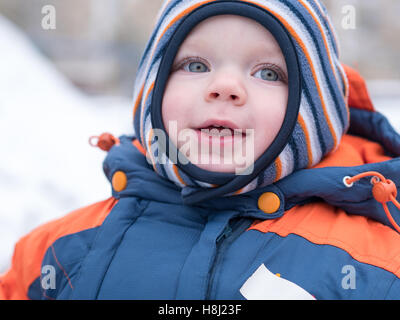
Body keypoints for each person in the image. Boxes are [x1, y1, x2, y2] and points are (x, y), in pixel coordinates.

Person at [2, 0, 400, 300]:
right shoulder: (58, 252)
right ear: (152, 95)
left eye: (267, 73)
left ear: (313, 117)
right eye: (195, 65)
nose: (224, 86)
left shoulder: (375, 269)